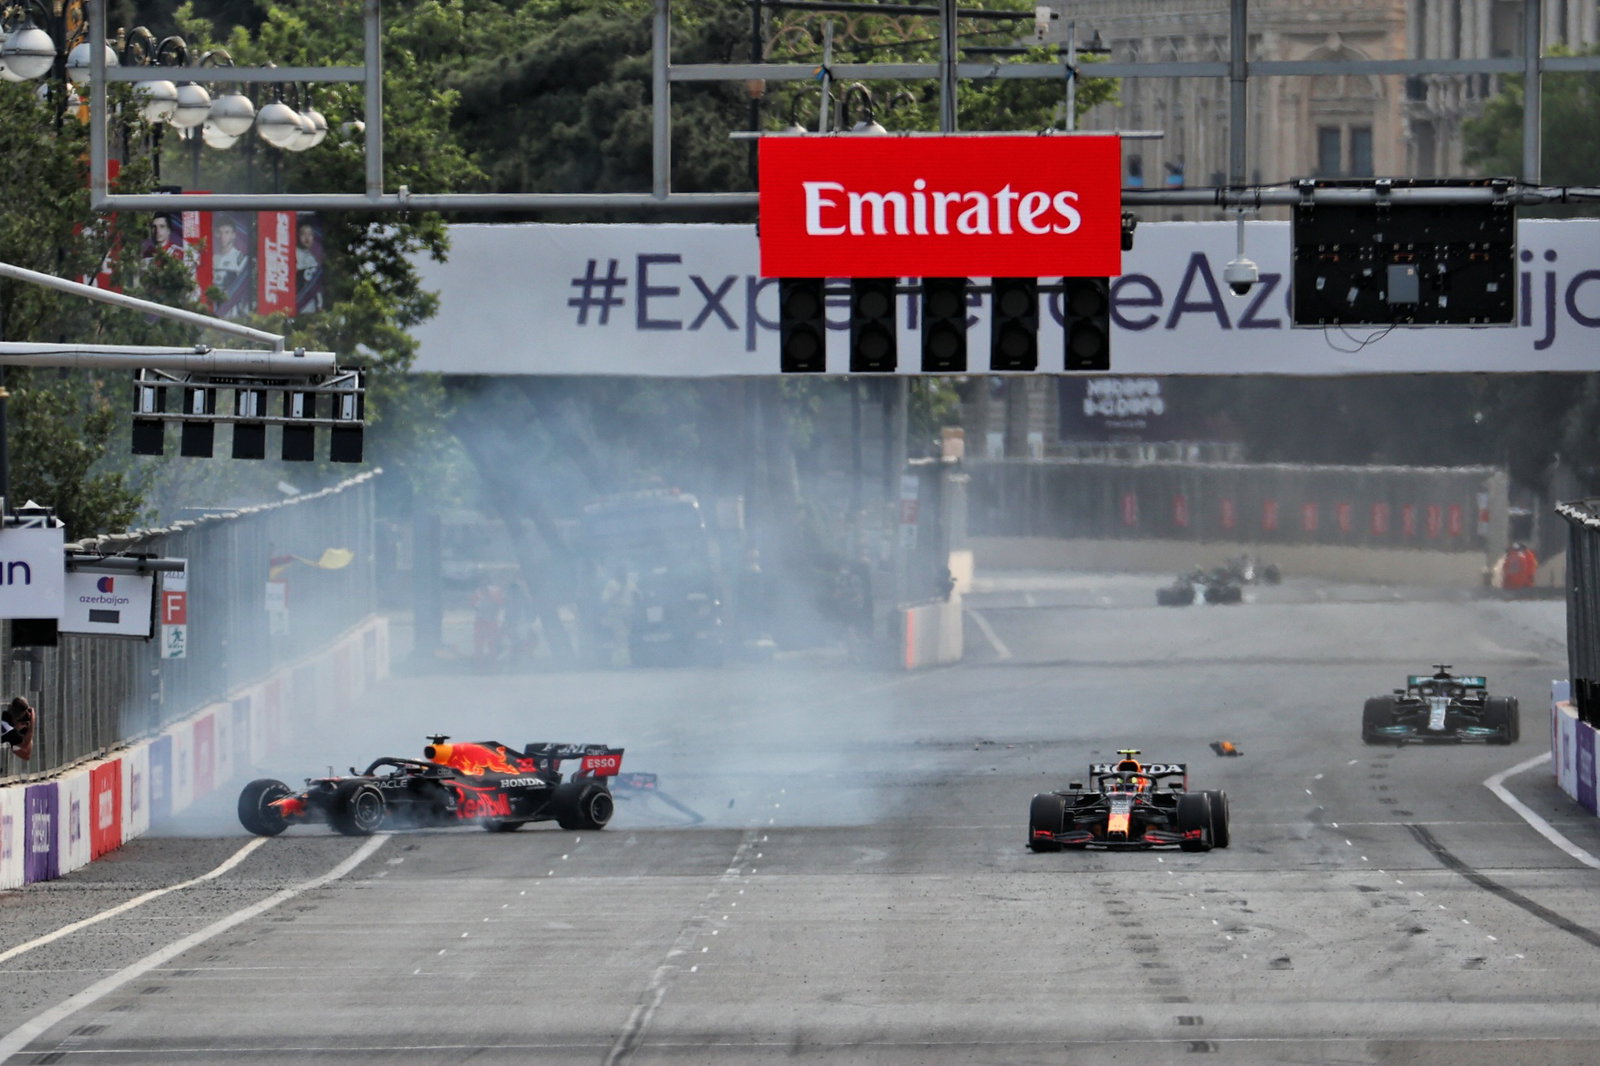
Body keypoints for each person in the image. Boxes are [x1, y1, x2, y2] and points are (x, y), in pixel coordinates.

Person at [470, 575, 505, 667]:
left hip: (491, 622)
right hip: (480, 622)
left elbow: (501, 603)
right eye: (481, 583)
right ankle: (478, 665)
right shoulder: (476, 593)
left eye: (484, 583)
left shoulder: (496, 592)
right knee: (478, 645)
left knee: (492, 644)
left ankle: (494, 665)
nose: (483, 585)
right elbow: (473, 606)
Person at [2, 696, 36, 761]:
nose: (28, 714)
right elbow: (27, 754)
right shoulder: (11, 732)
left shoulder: (5, 713)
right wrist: (32, 721)